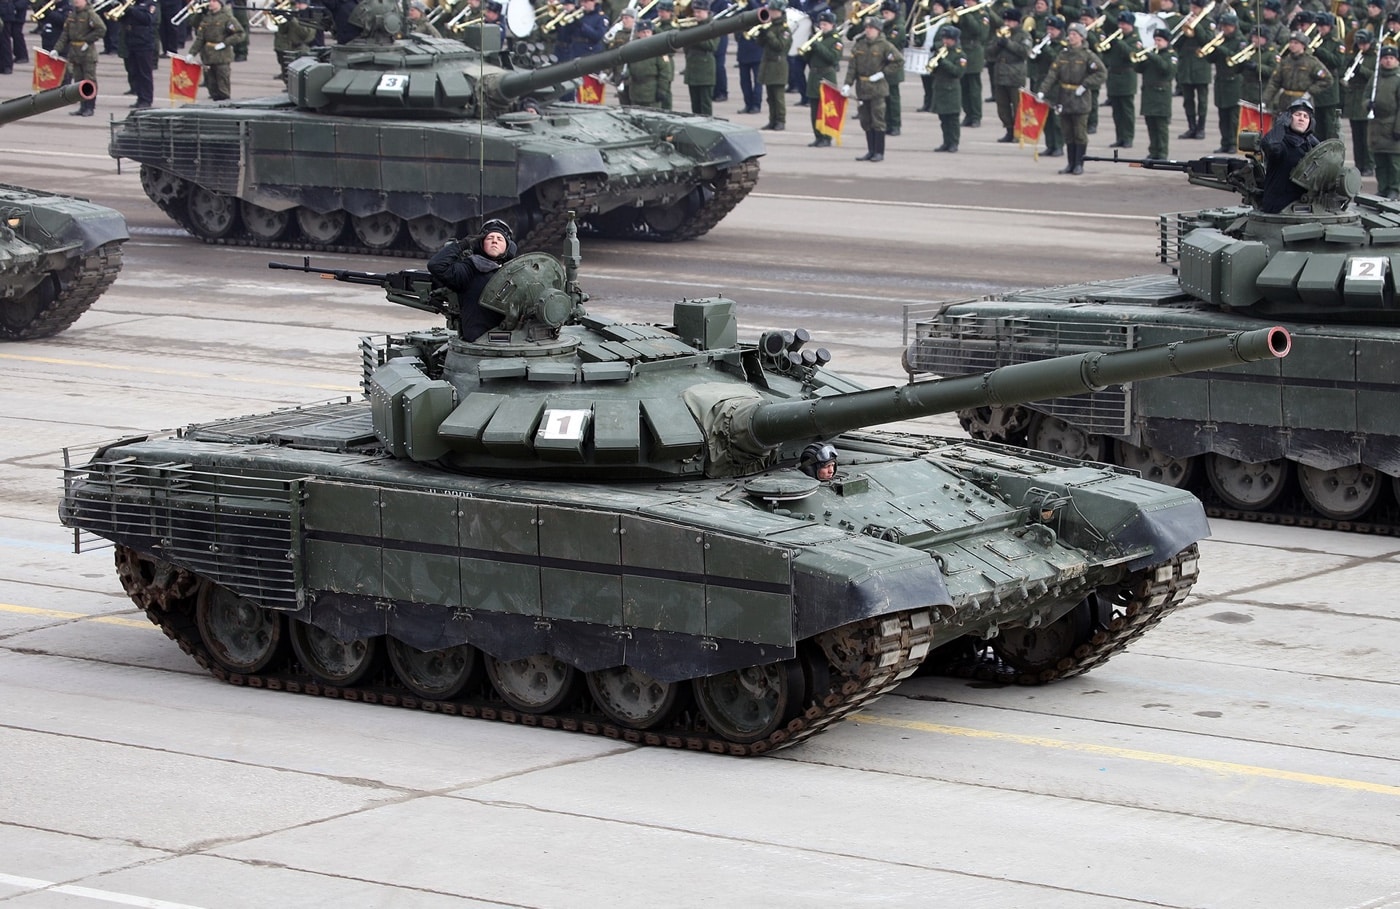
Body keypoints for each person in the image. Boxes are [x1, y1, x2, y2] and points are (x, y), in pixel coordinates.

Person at [428, 219, 519, 341]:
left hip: (513, 342)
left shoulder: (515, 273)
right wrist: (462, 244)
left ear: (508, 247)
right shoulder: (470, 269)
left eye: (499, 239)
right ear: (481, 244)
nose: (494, 241)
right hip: (478, 344)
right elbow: (436, 265)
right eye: (489, 238)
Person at [1038, 21, 1105, 174]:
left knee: (1079, 133)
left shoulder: (1088, 56)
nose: (1072, 37)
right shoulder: (1063, 54)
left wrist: (1086, 85)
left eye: (1075, 34)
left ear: (1082, 37)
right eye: (1070, 34)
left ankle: (1079, 164)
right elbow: (1053, 74)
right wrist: (1043, 91)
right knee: (1067, 133)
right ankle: (1070, 164)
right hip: (1064, 97)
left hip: (1080, 98)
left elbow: (1101, 73)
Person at [842, 17, 902, 161]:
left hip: (877, 88)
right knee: (865, 120)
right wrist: (847, 84)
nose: (868, 30)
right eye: (867, 28)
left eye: (871, 28)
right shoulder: (860, 45)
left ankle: (879, 152)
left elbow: (898, 61)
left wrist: (883, 73)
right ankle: (870, 150)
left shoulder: (885, 46)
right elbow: (852, 67)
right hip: (862, 87)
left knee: (878, 120)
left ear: (878, 30)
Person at [1260, 97, 1320, 212]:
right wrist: (1280, 125)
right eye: (1298, 115)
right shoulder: (1282, 143)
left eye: (1305, 116)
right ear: (1288, 117)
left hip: (1309, 207)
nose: (1301, 119)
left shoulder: (1312, 145)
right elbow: (1272, 148)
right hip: (1281, 208)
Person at [989, 6, 1032, 144]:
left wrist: (1008, 44)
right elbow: (988, 53)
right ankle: (1009, 130)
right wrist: (998, 44)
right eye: (1006, 20)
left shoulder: (1023, 35)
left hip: (1015, 75)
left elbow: (1024, 52)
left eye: (1010, 21)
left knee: (1018, 106)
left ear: (1017, 22)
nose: (1007, 23)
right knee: (1002, 107)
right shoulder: (1000, 33)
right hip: (1000, 75)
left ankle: (1019, 133)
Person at [55, 0, 104, 116]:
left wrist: (88, 40)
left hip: (87, 53)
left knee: (89, 80)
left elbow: (101, 29)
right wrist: (56, 49)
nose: (76, 1)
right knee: (78, 81)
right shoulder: (72, 15)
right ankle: (82, 107)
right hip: (75, 52)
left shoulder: (90, 14)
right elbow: (65, 34)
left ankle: (90, 107)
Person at [800, 9, 841, 146]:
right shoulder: (817, 38)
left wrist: (818, 46)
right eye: (821, 24)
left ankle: (826, 137)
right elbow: (806, 58)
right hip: (814, 76)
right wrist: (808, 49)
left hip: (827, 75)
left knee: (826, 109)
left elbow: (833, 58)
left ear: (832, 25)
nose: (822, 27)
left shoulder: (836, 40)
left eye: (825, 24)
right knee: (814, 109)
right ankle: (817, 136)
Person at [1101, 10, 1141, 149]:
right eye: (1120, 23)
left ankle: (1128, 137)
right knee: (1116, 111)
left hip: (1126, 78)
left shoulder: (1135, 39)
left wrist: (1119, 42)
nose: (1121, 26)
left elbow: (1131, 55)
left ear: (1131, 25)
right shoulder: (1117, 38)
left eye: (1124, 24)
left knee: (1127, 111)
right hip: (1113, 78)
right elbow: (1105, 52)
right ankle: (1120, 137)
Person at [1265, 31, 1332, 114]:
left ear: (1303, 45)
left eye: (1296, 43)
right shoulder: (1285, 61)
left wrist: (1310, 91)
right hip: (1285, 101)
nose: (1292, 45)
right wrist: (1265, 100)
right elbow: (1274, 82)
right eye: (1291, 42)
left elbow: (1327, 79)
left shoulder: (1311, 62)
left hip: (1302, 100)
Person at [1174, 0, 1214, 140]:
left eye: (1195, 7)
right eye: (1191, 6)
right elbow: (1175, 44)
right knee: (1188, 100)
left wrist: (1196, 27)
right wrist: (1184, 31)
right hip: (1186, 66)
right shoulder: (1184, 21)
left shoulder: (1207, 23)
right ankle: (1191, 127)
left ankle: (1201, 128)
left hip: (1200, 67)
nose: (1192, 10)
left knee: (1202, 100)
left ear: (1201, 8)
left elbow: (1207, 41)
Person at [1206, 13, 1244, 154]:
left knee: (1233, 117)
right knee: (1222, 116)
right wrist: (1212, 48)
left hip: (1234, 83)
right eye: (1223, 26)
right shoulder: (1221, 39)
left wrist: (1220, 47)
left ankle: (1234, 143)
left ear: (1234, 26)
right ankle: (1225, 142)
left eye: (1227, 26)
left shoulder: (1240, 41)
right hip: (1221, 82)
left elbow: (1235, 57)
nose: (1224, 29)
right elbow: (1210, 59)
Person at [1137, 27, 1176, 160]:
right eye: (1155, 40)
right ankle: (1153, 151)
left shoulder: (1171, 55)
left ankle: (1162, 152)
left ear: (1166, 41)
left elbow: (1166, 69)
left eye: (1159, 40)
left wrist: (1151, 55)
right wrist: (1139, 55)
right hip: (1148, 94)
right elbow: (1139, 68)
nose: (1156, 42)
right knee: (1151, 124)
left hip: (1161, 95)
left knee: (1161, 126)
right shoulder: (1153, 54)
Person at [193, 0, 244, 101]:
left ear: (220, 3)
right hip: (208, 56)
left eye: (214, 1)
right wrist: (191, 53)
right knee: (211, 86)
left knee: (223, 86)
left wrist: (225, 43)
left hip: (222, 56)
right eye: (210, 1)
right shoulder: (206, 17)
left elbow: (239, 34)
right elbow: (200, 38)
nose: (210, 3)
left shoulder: (227, 18)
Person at [1344, 30, 1378, 177]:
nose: (1362, 46)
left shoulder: (1375, 57)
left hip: (1365, 98)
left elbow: (1375, 77)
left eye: (1364, 43)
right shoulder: (1357, 55)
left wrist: (1360, 69)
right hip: (1353, 100)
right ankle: (1359, 164)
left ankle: (1369, 164)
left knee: (1366, 137)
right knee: (1356, 136)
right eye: (1360, 43)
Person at [930, 24, 966, 151]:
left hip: (952, 90)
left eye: (948, 39)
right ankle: (946, 142)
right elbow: (933, 70)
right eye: (944, 38)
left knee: (953, 120)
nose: (945, 41)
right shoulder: (941, 51)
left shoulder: (960, 55)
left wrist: (943, 62)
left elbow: (958, 72)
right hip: (940, 88)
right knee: (943, 119)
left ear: (954, 40)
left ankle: (954, 143)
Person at [1370, 46, 1400, 199]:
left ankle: (1395, 188)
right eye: (1385, 58)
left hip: (1392, 123)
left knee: (1394, 161)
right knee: (1380, 160)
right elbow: (1366, 96)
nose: (1388, 61)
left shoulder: (1398, 79)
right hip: (1377, 125)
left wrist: (1398, 128)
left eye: (1391, 58)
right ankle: (1383, 187)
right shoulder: (1376, 78)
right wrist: (1367, 104)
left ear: (1396, 61)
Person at [757, 0, 792, 130]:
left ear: (779, 12)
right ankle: (772, 120)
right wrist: (761, 34)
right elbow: (760, 44)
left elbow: (780, 46)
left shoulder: (784, 29)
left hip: (778, 65)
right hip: (768, 64)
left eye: (773, 11)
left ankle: (781, 120)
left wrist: (769, 34)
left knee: (778, 97)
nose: (770, 13)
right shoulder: (769, 25)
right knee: (770, 97)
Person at [626, 18, 672, 108]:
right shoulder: (632, 49)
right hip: (636, 92)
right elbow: (627, 66)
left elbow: (665, 73)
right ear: (638, 34)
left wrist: (662, 90)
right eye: (643, 32)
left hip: (651, 92)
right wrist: (626, 74)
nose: (646, 35)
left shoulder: (658, 50)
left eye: (648, 32)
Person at [683, 0, 719, 115]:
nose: (696, 14)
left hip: (705, 71)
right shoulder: (692, 24)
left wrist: (695, 36)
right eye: (695, 12)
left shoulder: (713, 26)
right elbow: (686, 47)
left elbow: (712, 46)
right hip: (692, 69)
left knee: (705, 106)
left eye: (699, 12)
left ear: (707, 11)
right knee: (695, 105)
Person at [122, 0, 157, 109]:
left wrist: (131, 10)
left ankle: (146, 99)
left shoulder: (150, 4)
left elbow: (148, 19)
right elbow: (124, 20)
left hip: (144, 43)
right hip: (132, 41)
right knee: (135, 72)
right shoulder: (134, 5)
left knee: (144, 73)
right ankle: (140, 98)